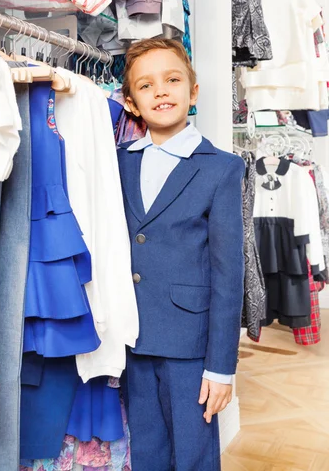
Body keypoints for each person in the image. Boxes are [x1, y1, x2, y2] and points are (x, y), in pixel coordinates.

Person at [117, 38, 245, 471]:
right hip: (133, 336)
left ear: (193, 91)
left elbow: (229, 273)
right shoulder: (118, 162)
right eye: (146, 85)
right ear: (131, 103)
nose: (161, 92)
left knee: (192, 455)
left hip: (190, 344)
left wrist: (221, 367)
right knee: (146, 451)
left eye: (172, 80)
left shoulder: (220, 167)